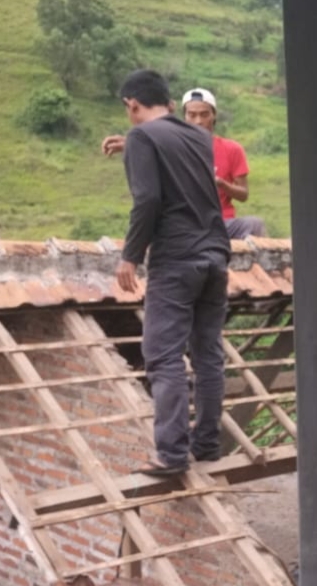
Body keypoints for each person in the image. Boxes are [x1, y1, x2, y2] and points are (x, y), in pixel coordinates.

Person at [114, 69, 231, 477]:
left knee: (163, 355)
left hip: (177, 259)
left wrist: (130, 256)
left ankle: (172, 455)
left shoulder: (142, 137)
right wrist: (129, 143)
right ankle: (208, 445)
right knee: (208, 354)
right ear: (167, 101)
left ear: (131, 104)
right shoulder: (198, 136)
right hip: (215, 255)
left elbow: (147, 199)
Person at [102, 87, 267, 239]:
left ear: (214, 115)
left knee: (254, 224)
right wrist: (131, 143)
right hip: (185, 225)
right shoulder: (173, 146)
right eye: (192, 115)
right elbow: (153, 146)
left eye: (204, 114)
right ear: (184, 117)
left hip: (221, 223)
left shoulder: (232, 149)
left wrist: (221, 183)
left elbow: (243, 194)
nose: (198, 121)